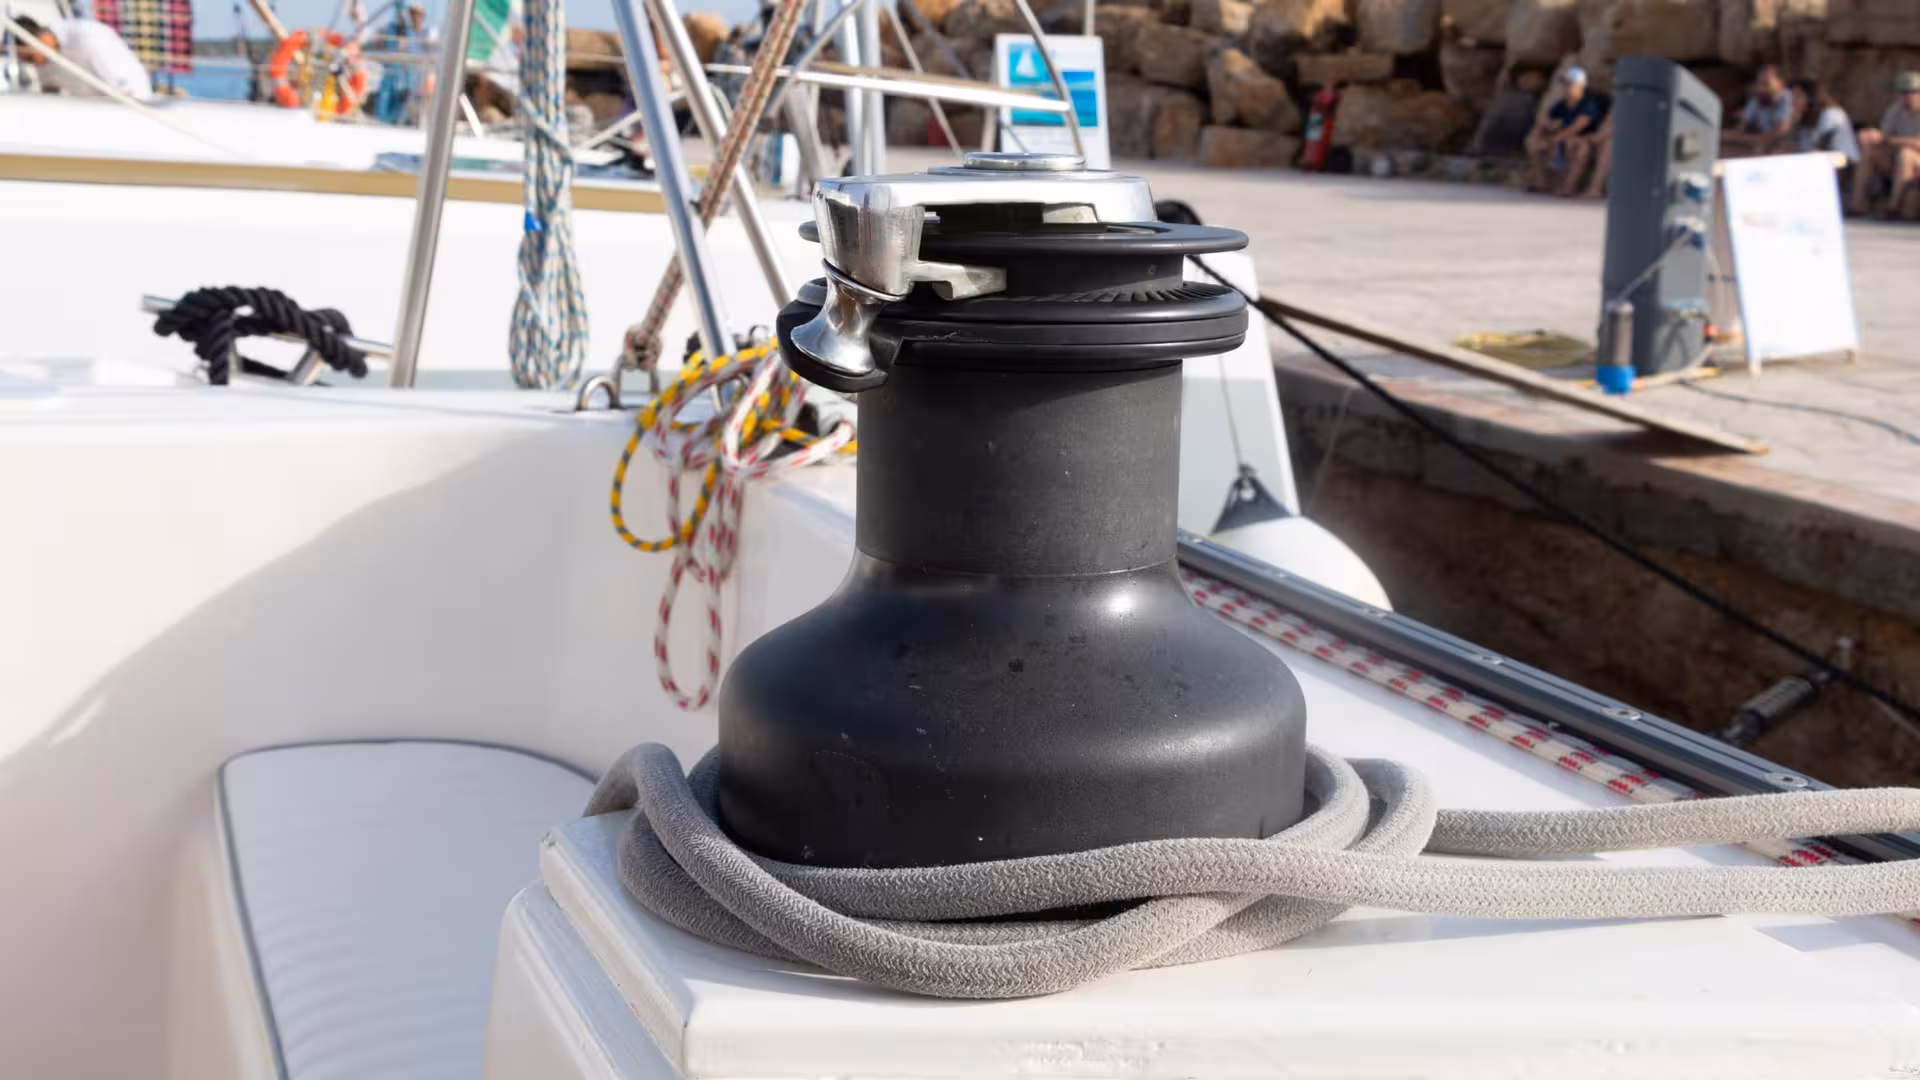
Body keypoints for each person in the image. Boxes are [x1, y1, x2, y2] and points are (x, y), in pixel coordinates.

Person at [8, 14, 152, 100]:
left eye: (30, 58)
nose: (35, 65)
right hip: (94, 112)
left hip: (132, 106)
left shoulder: (87, 38)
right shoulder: (45, 59)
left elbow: (125, 90)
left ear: (41, 39)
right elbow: (49, 93)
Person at [1525, 66, 1609, 195]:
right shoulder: (1563, 103)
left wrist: (1555, 139)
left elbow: (1578, 126)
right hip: (1565, 137)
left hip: (1585, 139)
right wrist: (1543, 128)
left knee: (1579, 148)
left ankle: (1569, 186)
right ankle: (1542, 181)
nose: (1565, 87)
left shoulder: (1589, 103)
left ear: (1580, 86)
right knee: (1533, 142)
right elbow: (1546, 118)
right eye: (1564, 84)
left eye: (1569, 84)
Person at [1853, 70, 1920, 218]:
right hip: (1897, 161)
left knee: (1906, 155)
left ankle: (1893, 207)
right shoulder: (1896, 109)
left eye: (1910, 92)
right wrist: (1871, 136)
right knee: (1869, 152)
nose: (1905, 97)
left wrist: (1887, 139)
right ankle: (1858, 205)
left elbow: (1917, 143)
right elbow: (1884, 136)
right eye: (1902, 92)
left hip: (1914, 162)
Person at [1722, 65, 1795, 157]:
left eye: (1766, 84)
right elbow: (1741, 128)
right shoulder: (1757, 99)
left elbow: (1780, 132)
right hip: (1759, 143)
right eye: (1759, 83)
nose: (1761, 88)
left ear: (1781, 84)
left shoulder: (1787, 98)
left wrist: (1749, 139)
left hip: (1785, 147)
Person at [1791, 78, 1860, 163]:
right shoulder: (1805, 120)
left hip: (1845, 163)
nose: (1794, 101)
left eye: (1798, 96)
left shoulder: (1831, 114)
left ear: (1811, 97)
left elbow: (1821, 147)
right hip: (1821, 162)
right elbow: (1799, 148)